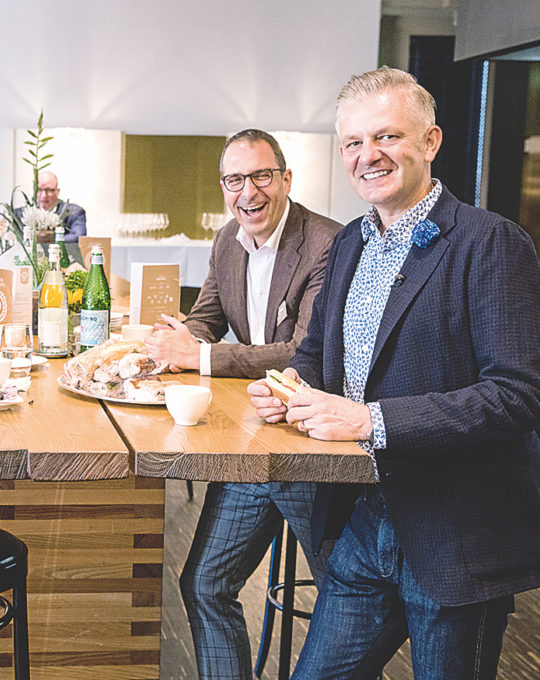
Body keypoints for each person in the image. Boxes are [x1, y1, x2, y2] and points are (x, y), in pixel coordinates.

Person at [252, 67, 540, 680]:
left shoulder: (491, 243)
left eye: (387, 137)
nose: (369, 156)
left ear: (430, 142)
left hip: (457, 534)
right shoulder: (348, 247)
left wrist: (370, 419)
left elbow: (518, 398)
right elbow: (316, 352)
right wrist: (290, 386)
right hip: (365, 522)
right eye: (353, 143)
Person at [148, 129, 341, 680]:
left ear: (284, 179)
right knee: (205, 585)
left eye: (261, 176)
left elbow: (303, 353)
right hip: (254, 441)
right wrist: (172, 340)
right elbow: (207, 318)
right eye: (235, 180)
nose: (248, 192)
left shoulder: (327, 242)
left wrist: (200, 358)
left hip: (315, 449)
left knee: (347, 597)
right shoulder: (227, 240)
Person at [28, 170, 87, 242]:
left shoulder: (74, 212)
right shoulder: (22, 214)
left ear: (57, 191)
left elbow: (79, 238)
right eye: (39, 189)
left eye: (49, 190)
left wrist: (50, 241)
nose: (44, 195)